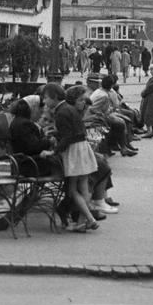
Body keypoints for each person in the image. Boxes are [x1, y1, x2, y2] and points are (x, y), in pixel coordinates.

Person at [44, 83, 98, 232]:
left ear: (55, 97)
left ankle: (90, 219)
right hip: (83, 147)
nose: (44, 101)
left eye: (46, 97)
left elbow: (67, 137)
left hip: (74, 151)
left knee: (73, 189)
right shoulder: (71, 109)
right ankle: (82, 221)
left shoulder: (61, 112)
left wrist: (53, 151)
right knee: (84, 188)